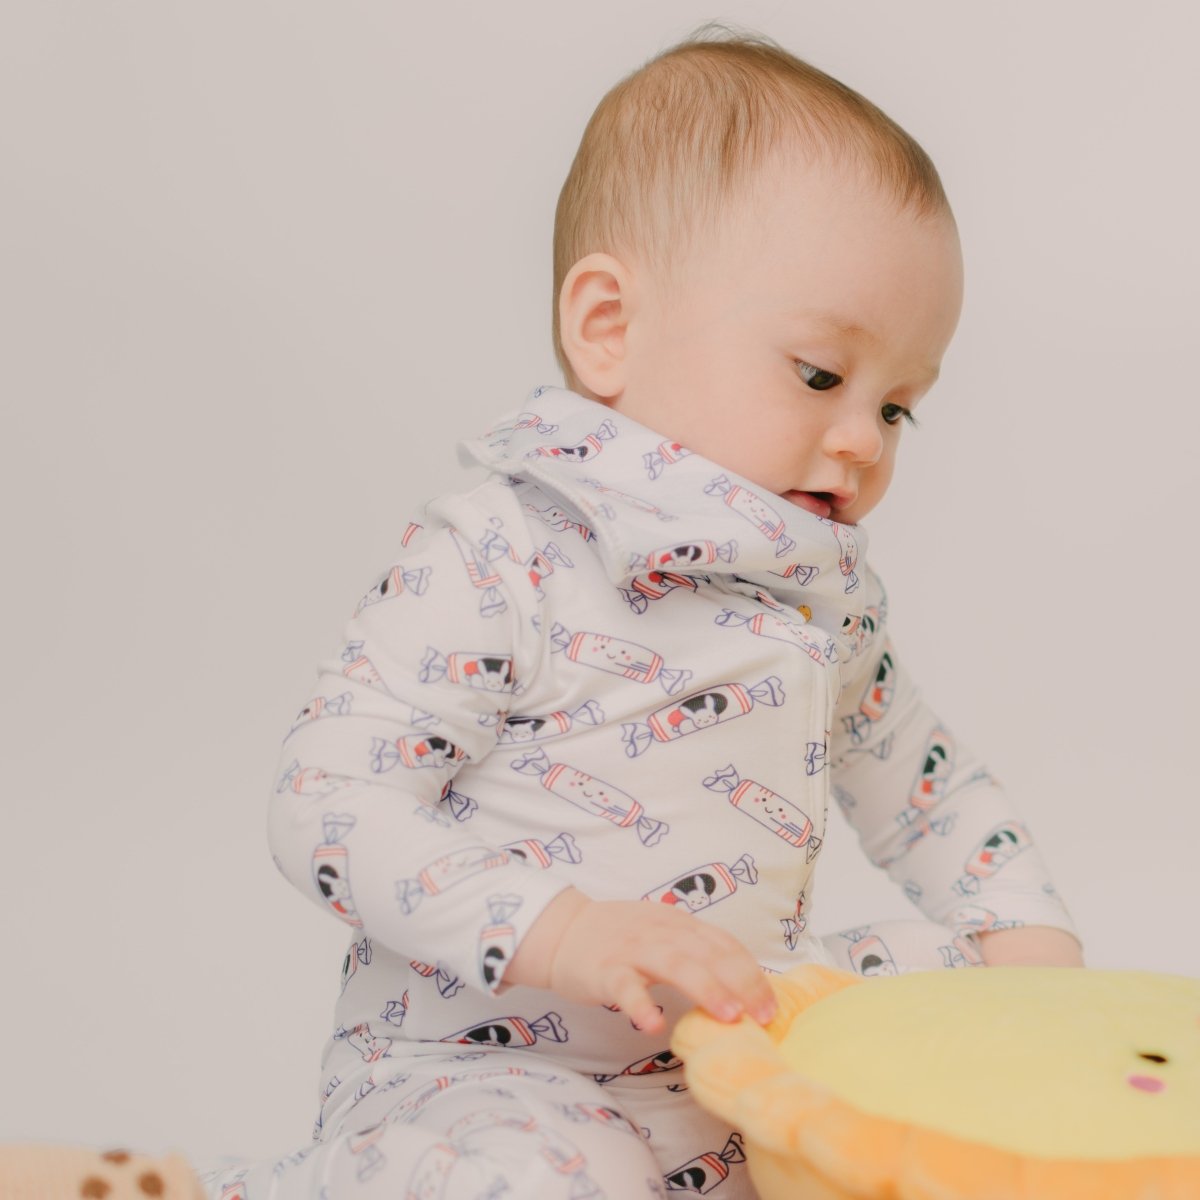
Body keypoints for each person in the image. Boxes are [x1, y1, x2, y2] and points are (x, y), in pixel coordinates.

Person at [2, 24, 1083, 1200]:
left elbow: (932, 790)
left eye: (900, 407)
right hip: (486, 1075)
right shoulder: (503, 553)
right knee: (549, 1180)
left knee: (951, 998)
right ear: (609, 328)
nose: (864, 439)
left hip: (723, 1064)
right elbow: (325, 802)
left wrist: (1027, 951)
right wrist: (561, 930)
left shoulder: (827, 605)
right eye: (823, 374)